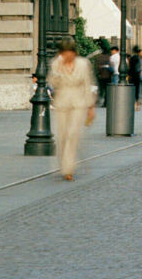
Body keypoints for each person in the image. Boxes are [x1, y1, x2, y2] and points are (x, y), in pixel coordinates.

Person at [46, 39, 96, 181]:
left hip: (78, 103)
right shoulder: (56, 64)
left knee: (72, 134)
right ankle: (63, 164)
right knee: (62, 135)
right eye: (65, 53)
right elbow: (53, 83)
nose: (69, 56)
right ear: (61, 53)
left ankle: (69, 169)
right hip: (62, 102)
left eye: (71, 53)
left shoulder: (83, 64)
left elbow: (87, 84)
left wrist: (90, 106)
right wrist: (59, 70)